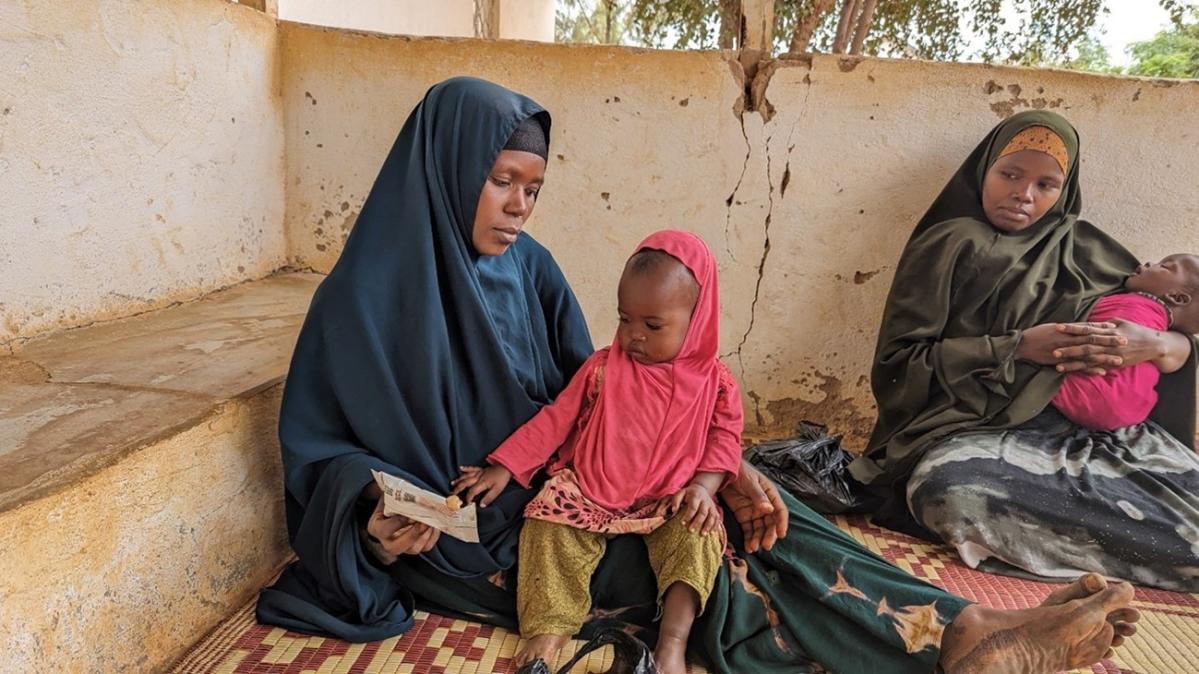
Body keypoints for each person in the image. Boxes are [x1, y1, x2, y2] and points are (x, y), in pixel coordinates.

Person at [257, 79, 1139, 673]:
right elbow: (325, 460)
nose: (522, 205)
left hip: (587, 488)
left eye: (533, 185)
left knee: (764, 519)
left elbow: (606, 396)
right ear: (446, 171)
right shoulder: (362, 303)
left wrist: (736, 469)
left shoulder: (529, 271)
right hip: (479, 535)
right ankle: (945, 645)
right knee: (727, 571)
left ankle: (963, 623)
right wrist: (374, 523)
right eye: (499, 182)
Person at [851, 110, 1199, 592]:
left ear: (1065, 189)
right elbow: (898, 366)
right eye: (1010, 175)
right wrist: (1018, 347)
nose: (1024, 194)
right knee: (949, 491)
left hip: (1101, 435)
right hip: (979, 428)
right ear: (984, 170)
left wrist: (1159, 342)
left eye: (1046, 185)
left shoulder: (1087, 249)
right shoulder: (949, 245)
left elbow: (1177, 326)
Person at [452, 231, 742, 673]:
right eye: (626, 319)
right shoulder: (604, 368)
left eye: (653, 325)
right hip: (587, 494)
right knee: (545, 528)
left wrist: (703, 487)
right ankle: (547, 630)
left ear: (697, 320)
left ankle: (672, 645)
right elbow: (556, 420)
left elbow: (725, 439)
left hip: (668, 501)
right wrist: (505, 466)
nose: (634, 336)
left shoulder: (716, 383)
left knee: (699, 538)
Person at [1052, 253, 1199, 430]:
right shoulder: (1159, 324)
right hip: (1137, 409)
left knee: (1033, 373)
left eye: (1164, 266)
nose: (1148, 262)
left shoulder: (1134, 306)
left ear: (1176, 297)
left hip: (1098, 397)